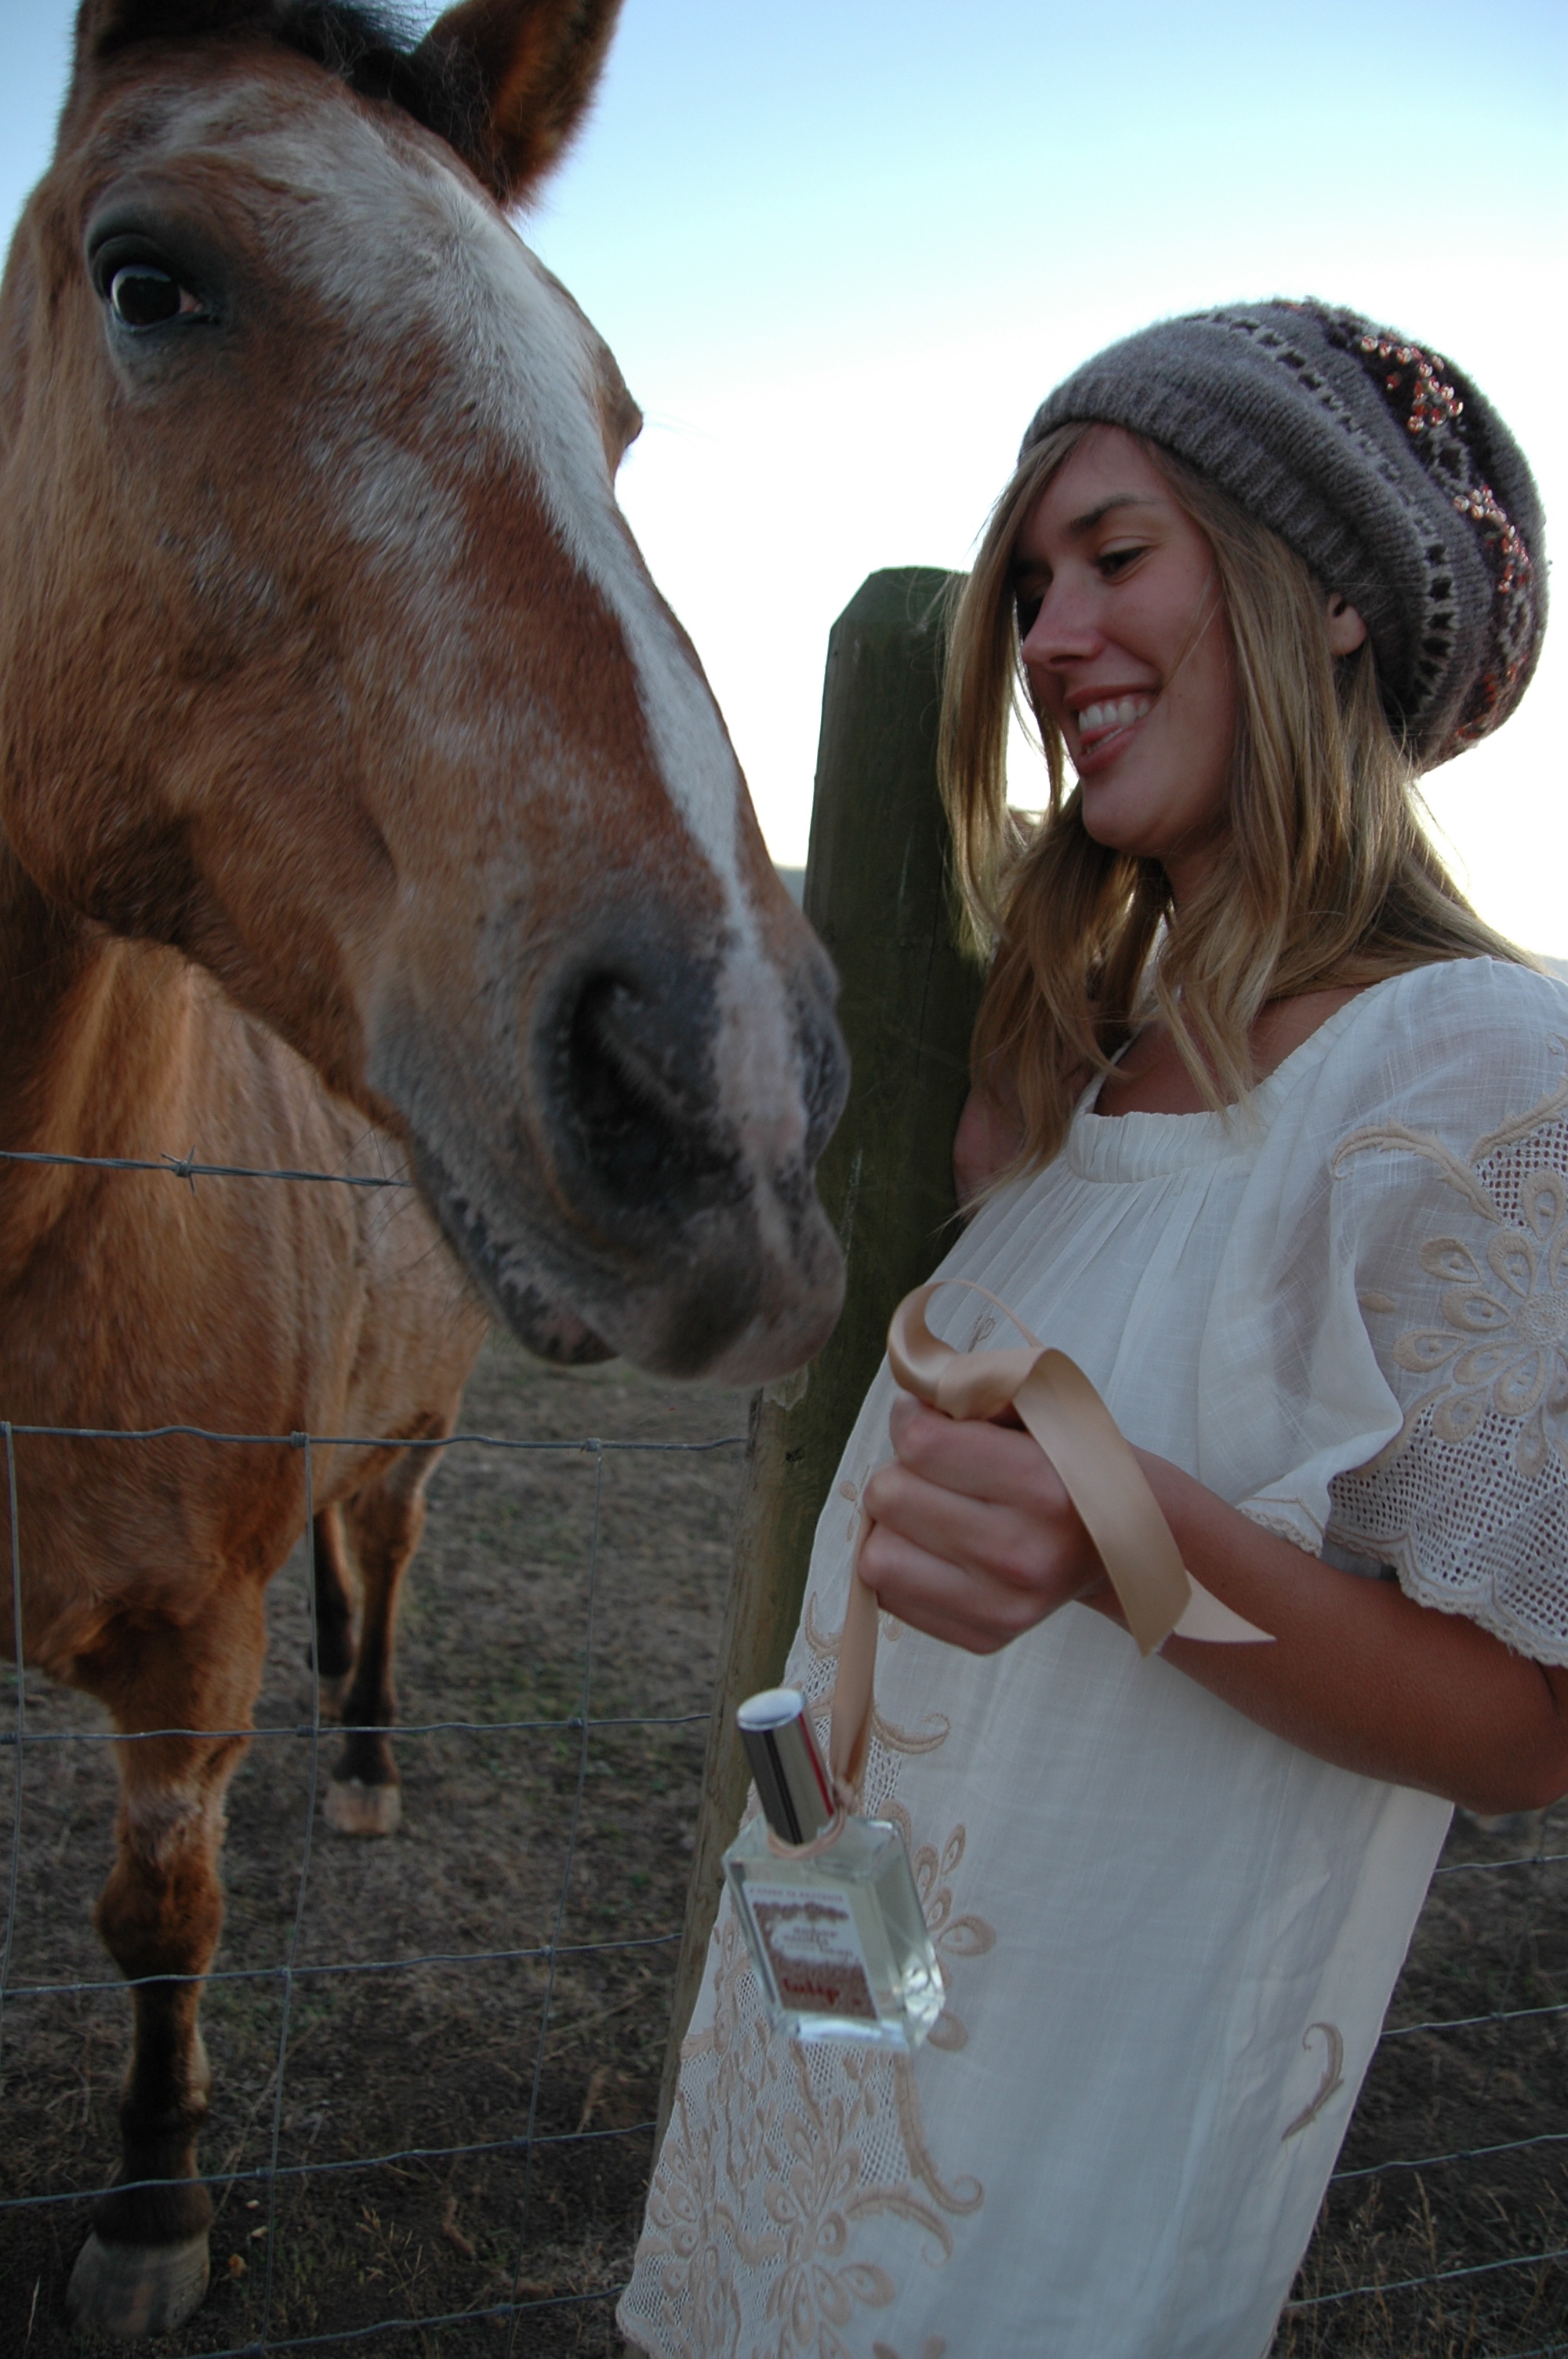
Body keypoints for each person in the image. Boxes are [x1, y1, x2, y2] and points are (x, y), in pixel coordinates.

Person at [618, 300, 1561, 2359]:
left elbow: (1529, 1723)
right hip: (844, 2057)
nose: (1048, 634)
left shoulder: (1471, 1078)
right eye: (1034, 583)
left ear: (1325, 604)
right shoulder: (1081, 1085)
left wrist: (1119, 1541)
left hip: (1069, 2174)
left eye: (1117, 557)